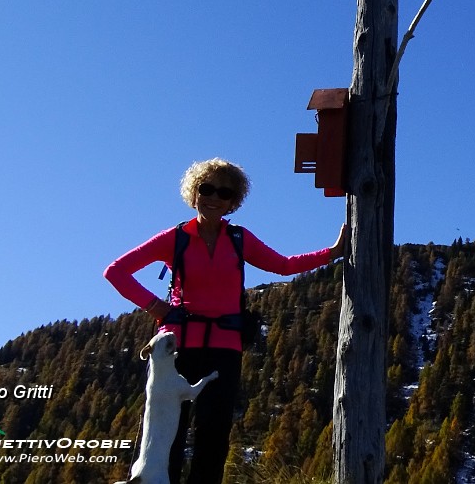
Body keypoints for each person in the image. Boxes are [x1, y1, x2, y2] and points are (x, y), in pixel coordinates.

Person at [105, 158, 348, 484]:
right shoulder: (174, 238)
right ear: (194, 193)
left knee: (214, 434)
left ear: (234, 201)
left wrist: (332, 253)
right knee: (168, 432)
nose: (214, 197)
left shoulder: (238, 238)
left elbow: (284, 265)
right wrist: (156, 307)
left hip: (224, 347)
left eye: (225, 192)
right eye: (207, 189)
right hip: (176, 348)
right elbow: (116, 272)